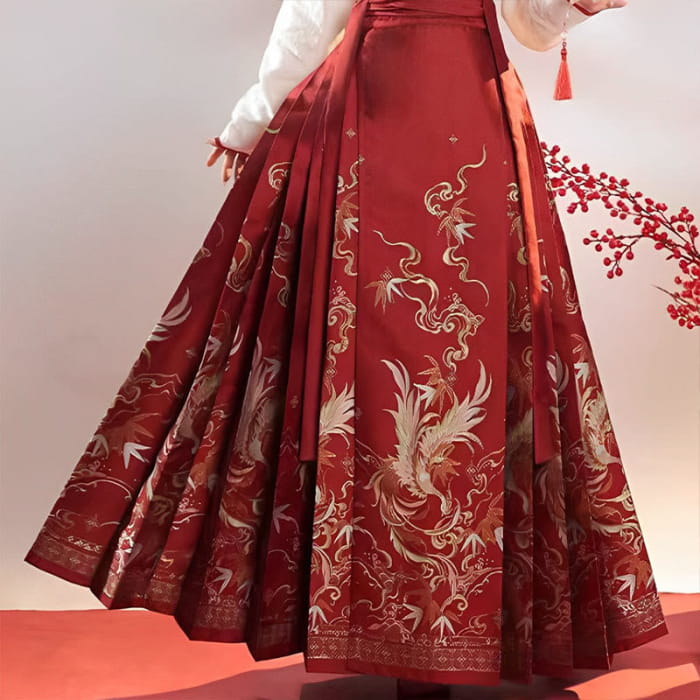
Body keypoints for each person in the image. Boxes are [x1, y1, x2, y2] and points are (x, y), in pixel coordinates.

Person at [24, 1, 668, 698]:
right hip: (373, 124)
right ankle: (394, 624)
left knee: (467, 353)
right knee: (373, 360)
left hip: (472, 127)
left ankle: (446, 625)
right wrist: (252, 117)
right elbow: (317, 14)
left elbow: (530, 24)